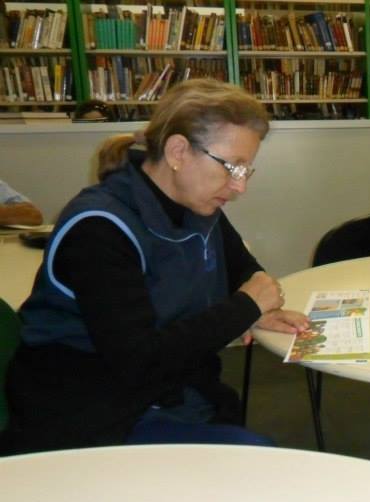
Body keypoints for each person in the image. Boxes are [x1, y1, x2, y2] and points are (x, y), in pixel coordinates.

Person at [3, 79, 309, 454]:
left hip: (170, 393)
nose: (239, 187)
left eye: (246, 171)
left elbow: (243, 270)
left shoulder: (197, 204)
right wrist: (245, 308)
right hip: (91, 416)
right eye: (232, 167)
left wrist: (258, 308)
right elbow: (139, 360)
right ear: (178, 151)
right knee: (258, 461)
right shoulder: (98, 228)